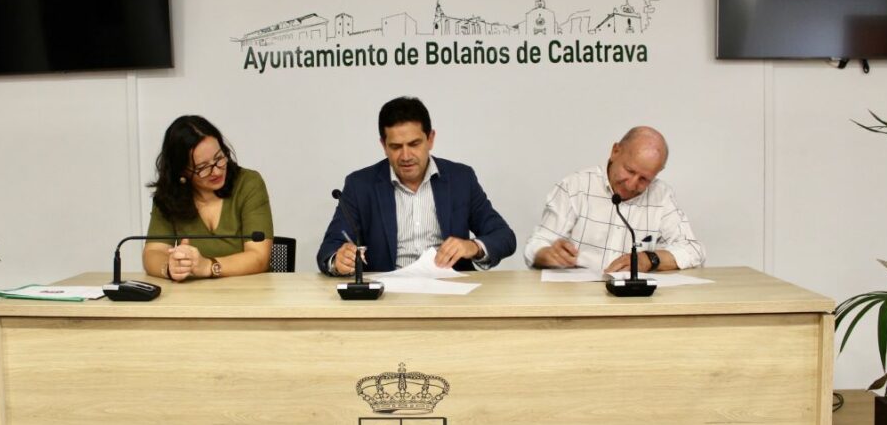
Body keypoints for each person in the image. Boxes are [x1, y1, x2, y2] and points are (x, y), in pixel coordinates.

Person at [316, 96, 516, 275]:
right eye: (396, 147)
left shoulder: (461, 179)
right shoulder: (360, 185)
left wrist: (472, 247)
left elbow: (504, 236)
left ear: (430, 139)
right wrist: (338, 260)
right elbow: (329, 248)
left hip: (451, 291)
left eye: (414, 144)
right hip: (388, 294)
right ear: (384, 145)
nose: (405, 156)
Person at [524, 126, 704, 273]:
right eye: (629, 171)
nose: (632, 184)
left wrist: (650, 259)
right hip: (579, 297)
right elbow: (535, 245)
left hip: (635, 301)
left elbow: (694, 250)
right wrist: (545, 254)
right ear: (615, 151)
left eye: (644, 179)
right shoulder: (574, 187)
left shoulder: (662, 195)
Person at [143, 115, 274, 280]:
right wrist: (170, 268)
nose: (217, 171)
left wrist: (208, 266)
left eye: (219, 158)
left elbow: (259, 257)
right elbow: (153, 252)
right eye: (203, 167)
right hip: (196, 293)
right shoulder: (169, 196)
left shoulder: (248, 183)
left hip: (250, 290)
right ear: (182, 171)